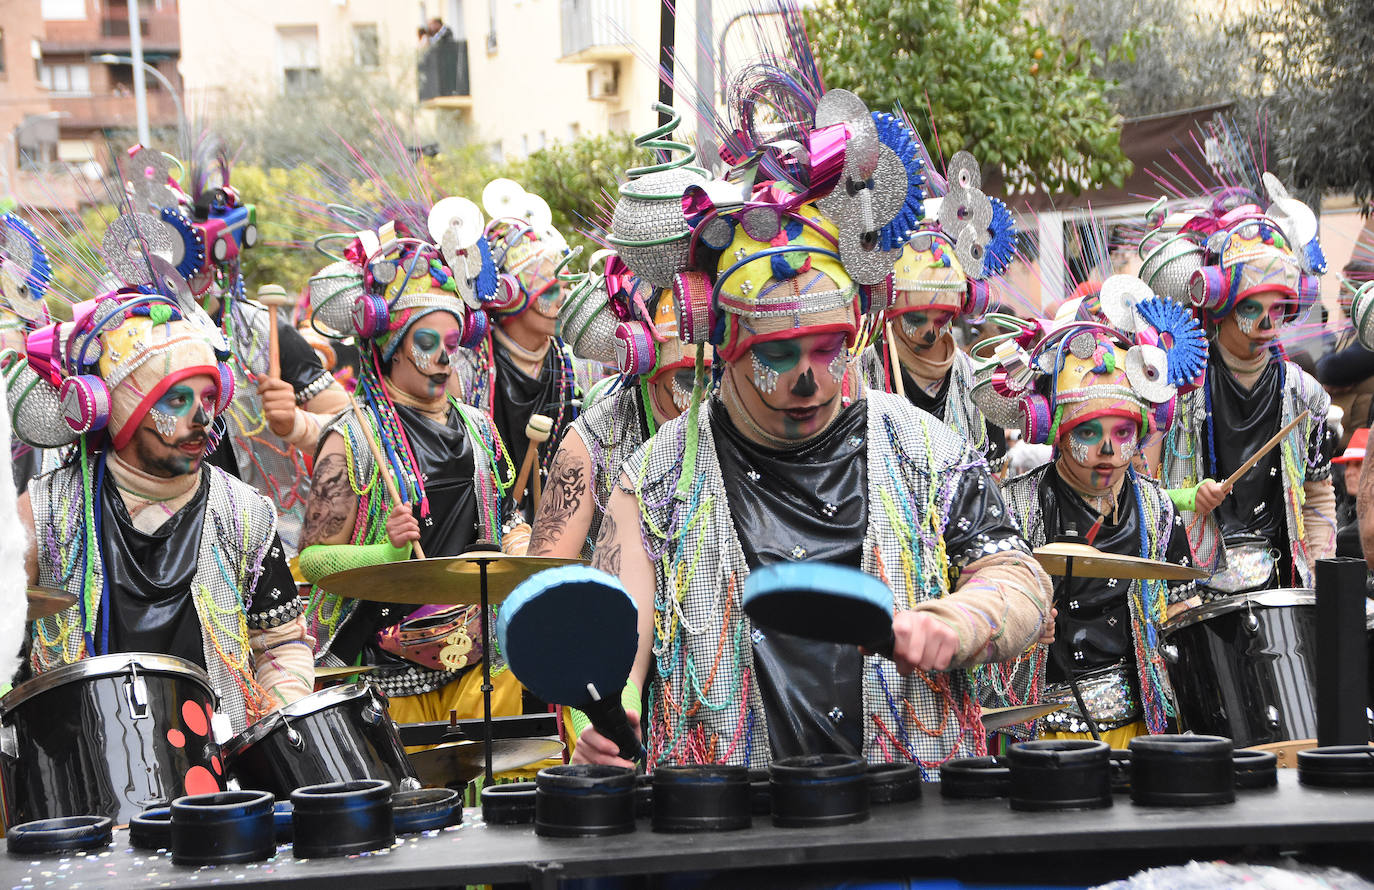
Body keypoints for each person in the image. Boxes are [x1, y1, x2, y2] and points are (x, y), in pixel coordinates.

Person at [572, 93, 1052, 770]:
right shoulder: (653, 481)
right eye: (778, 354)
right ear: (725, 343)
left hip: (907, 818)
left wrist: (958, 623)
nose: (811, 380)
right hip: (732, 835)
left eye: (828, 349)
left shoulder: (925, 449)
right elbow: (618, 633)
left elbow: (1020, 578)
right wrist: (608, 711)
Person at [10, 285, 313, 733]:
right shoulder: (44, 509)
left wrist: (277, 717)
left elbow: (281, 645)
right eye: (177, 401)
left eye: (208, 399)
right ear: (121, 410)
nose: (202, 419)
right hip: (80, 770)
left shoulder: (245, 512)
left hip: (217, 776)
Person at [297, 209, 522, 724]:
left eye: (451, 345)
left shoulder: (481, 428)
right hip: (385, 667)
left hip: (484, 660)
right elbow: (313, 561)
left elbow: (507, 515)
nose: (444, 359)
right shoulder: (351, 436)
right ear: (391, 348)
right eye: (426, 345)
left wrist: (521, 543)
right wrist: (389, 551)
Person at [980, 283, 1207, 743]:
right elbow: (983, 608)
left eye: (1122, 432)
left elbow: (1185, 611)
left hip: (1146, 727)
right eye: (1089, 432)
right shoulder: (1013, 505)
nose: (1107, 449)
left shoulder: (1158, 508)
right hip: (1045, 734)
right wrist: (1018, 623)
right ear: (1057, 433)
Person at [118, 144, 350, 554]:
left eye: (190, 259)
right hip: (155, 548)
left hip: (273, 543)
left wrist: (296, 423)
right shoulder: (123, 336)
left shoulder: (264, 332)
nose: (181, 275)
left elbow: (353, 433)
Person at [1152, 180, 1336, 596]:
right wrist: (1187, 497)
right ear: (1220, 306)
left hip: (1282, 586)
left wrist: (1320, 572)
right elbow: (1141, 494)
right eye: (1252, 310)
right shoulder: (1179, 387)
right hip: (1194, 590)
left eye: (1278, 309)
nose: (1267, 325)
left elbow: (1319, 494)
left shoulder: (1304, 394)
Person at [528, 256, 708, 559]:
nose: (706, 392)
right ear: (642, 356)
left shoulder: (736, 421)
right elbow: (544, 570)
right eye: (690, 377)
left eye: (716, 374)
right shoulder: (594, 436)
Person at [877, 155, 1016, 470]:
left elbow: (996, 470)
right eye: (916, 318)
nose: (930, 331)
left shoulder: (974, 379)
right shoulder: (865, 375)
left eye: (942, 319)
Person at [459, 180, 582, 521]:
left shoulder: (577, 362)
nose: (562, 300)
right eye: (548, 292)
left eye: (564, 288)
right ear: (508, 297)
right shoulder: (469, 369)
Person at [1334, 427, 1367, 559]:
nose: (1349, 472)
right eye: (1348, 465)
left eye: (1358, 464)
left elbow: (1347, 540)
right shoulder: (1344, 506)